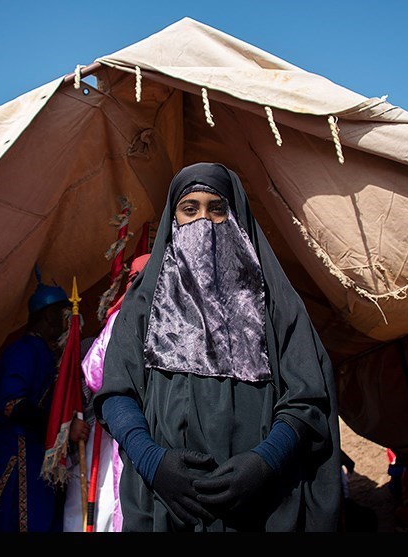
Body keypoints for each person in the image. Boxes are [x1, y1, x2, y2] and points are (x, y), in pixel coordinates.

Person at [95, 162, 342, 532]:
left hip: (263, 506)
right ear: (173, 220)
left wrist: (265, 462)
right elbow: (116, 394)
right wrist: (152, 462)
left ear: (236, 217)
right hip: (168, 507)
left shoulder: (274, 301)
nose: (204, 221)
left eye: (217, 209)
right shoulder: (143, 303)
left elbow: (309, 396)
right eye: (190, 209)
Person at [0, 275, 69, 532]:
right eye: (63, 313)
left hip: (39, 451)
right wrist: (60, 428)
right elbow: (12, 404)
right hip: (16, 452)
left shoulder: (50, 354)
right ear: (49, 315)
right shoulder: (23, 351)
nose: (67, 321)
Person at [63, 254, 150, 532]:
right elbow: (95, 373)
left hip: (136, 430)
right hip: (116, 429)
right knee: (104, 501)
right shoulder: (122, 321)